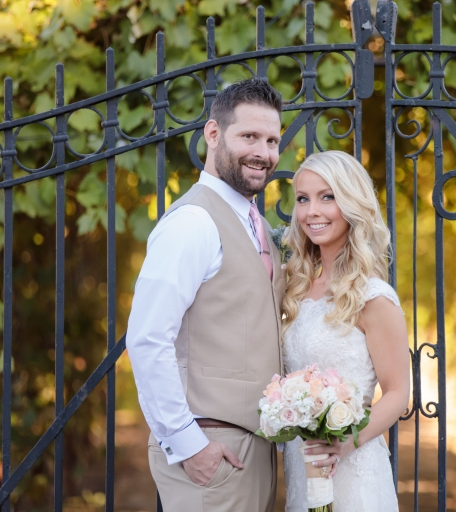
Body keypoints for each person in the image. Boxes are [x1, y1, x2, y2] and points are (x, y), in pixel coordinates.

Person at [126, 78, 285, 512]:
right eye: (249, 136)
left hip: (252, 451)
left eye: (272, 140)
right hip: (210, 449)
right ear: (213, 135)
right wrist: (188, 444)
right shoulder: (193, 223)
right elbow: (147, 338)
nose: (263, 152)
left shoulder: (257, 225)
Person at [281, 150, 410, 511]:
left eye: (327, 197)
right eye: (303, 199)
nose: (312, 212)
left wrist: (347, 443)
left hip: (355, 469)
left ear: (352, 204)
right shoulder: (295, 288)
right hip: (302, 465)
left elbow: (398, 392)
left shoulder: (373, 296)